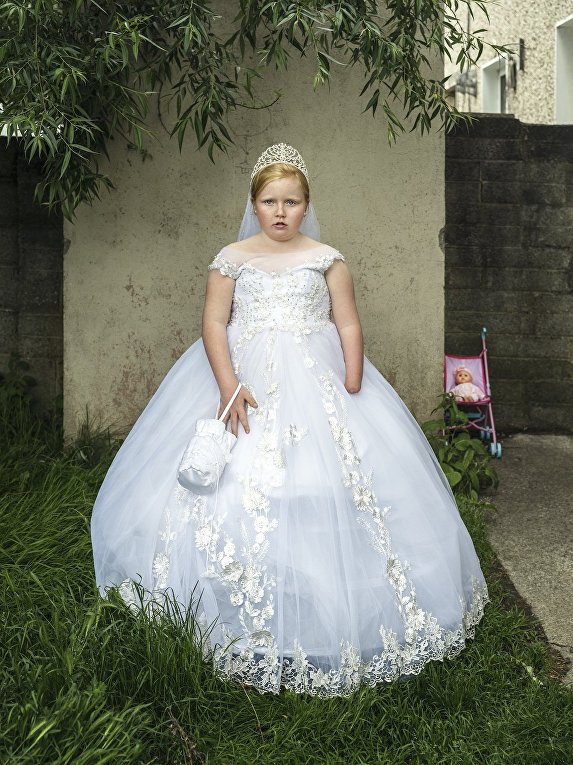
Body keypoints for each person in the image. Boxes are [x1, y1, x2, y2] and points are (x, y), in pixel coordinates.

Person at [91, 143, 489, 697]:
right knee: (243, 479)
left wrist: (353, 376)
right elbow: (213, 324)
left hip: (317, 376)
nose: (281, 212)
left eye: (292, 202)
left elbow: (347, 323)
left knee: (335, 475)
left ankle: (334, 589)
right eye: (270, 201)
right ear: (254, 204)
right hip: (245, 379)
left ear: (307, 204)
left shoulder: (327, 260)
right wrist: (229, 385)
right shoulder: (231, 259)